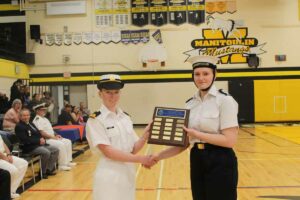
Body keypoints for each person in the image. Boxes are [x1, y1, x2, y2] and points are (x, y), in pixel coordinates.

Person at [148, 56, 239, 200]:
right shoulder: (190, 104)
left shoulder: (225, 100)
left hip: (220, 159)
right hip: (197, 158)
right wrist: (158, 157)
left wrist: (197, 134)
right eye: (197, 74)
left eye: (206, 73)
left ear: (215, 74)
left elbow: (230, 141)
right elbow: (184, 143)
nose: (201, 78)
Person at [86, 74, 154, 200]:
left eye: (116, 92)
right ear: (100, 94)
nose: (113, 96)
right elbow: (109, 152)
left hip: (128, 172)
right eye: (108, 92)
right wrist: (142, 159)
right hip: (109, 174)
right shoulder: (95, 120)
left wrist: (145, 135)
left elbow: (132, 149)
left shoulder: (125, 117)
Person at [15, 108, 59, 179]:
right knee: (46, 152)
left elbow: (38, 133)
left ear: (29, 116)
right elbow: (25, 140)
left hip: (38, 145)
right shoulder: (19, 126)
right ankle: (42, 172)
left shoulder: (31, 123)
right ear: (20, 116)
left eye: (27, 115)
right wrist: (38, 140)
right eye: (24, 115)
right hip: (29, 147)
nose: (26, 117)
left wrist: (42, 138)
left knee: (55, 149)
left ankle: (48, 169)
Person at [32, 103, 76, 171]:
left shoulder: (45, 119)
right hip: (46, 140)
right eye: (42, 110)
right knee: (61, 145)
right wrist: (53, 137)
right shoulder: (37, 119)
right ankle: (62, 165)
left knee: (68, 141)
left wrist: (55, 135)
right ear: (37, 111)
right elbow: (42, 133)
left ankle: (68, 162)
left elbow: (50, 129)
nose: (44, 111)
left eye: (44, 110)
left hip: (52, 137)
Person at [0, 134, 28, 198]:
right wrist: (4, 158)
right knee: (13, 170)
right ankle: (5, 192)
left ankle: (11, 190)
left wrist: (8, 154)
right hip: (1, 158)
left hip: (4, 155)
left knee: (23, 163)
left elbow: (3, 143)